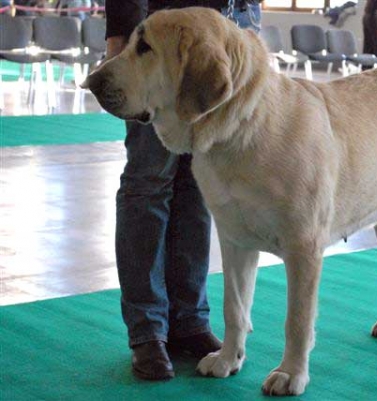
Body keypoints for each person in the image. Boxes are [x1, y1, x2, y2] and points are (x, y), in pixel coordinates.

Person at [104, 0, 261, 381]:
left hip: (230, 27)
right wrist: (122, 32)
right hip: (158, 30)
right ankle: (148, 330)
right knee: (148, 183)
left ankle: (189, 319)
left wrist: (250, 18)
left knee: (200, 188)